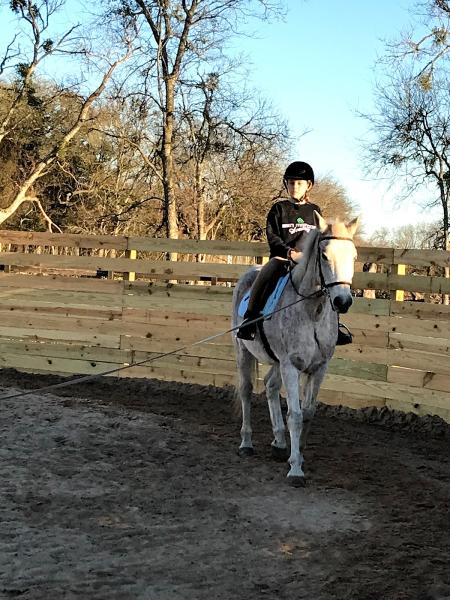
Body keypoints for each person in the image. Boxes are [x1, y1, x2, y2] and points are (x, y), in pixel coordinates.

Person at [236, 161, 353, 345]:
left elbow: (319, 240)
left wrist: (308, 257)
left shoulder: (314, 210)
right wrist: (289, 253)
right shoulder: (278, 209)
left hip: (307, 263)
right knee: (268, 269)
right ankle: (250, 318)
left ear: (309, 185)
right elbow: (272, 237)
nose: (294, 187)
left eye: (299, 183)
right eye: (291, 183)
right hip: (283, 258)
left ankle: (334, 326)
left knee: (328, 280)